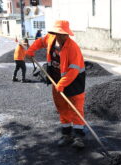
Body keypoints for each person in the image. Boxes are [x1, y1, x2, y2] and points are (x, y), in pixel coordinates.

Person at [26, 20, 86, 149]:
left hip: (74, 81)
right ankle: (67, 135)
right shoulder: (50, 39)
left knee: (76, 108)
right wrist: (31, 50)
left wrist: (62, 83)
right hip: (57, 80)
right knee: (62, 108)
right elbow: (40, 42)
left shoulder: (73, 48)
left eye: (64, 34)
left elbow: (74, 70)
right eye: (59, 33)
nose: (62, 36)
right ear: (55, 33)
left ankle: (79, 137)